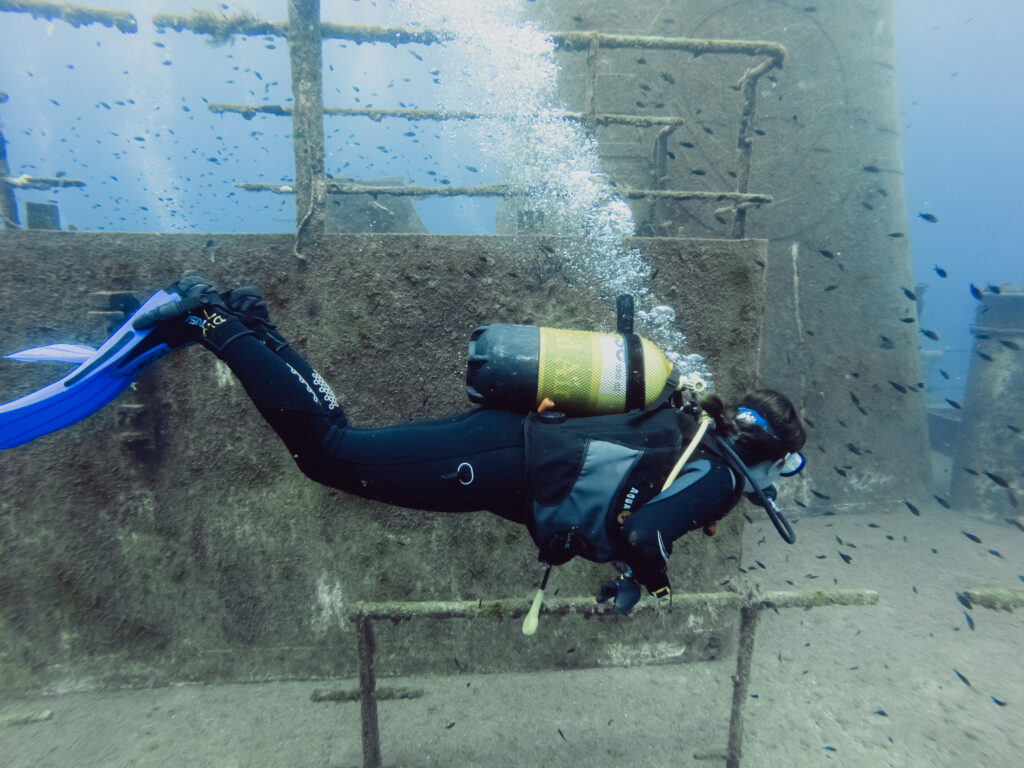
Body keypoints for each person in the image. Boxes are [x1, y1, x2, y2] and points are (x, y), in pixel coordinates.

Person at [2, 275, 807, 615]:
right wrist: (658, 591)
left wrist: (633, 577)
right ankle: (208, 318)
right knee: (330, 453)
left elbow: (634, 513)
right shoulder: (727, 477)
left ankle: (246, 319)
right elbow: (641, 531)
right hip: (508, 460)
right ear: (773, 456)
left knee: (339, 444)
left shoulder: (686, 422)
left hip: (511, 458)